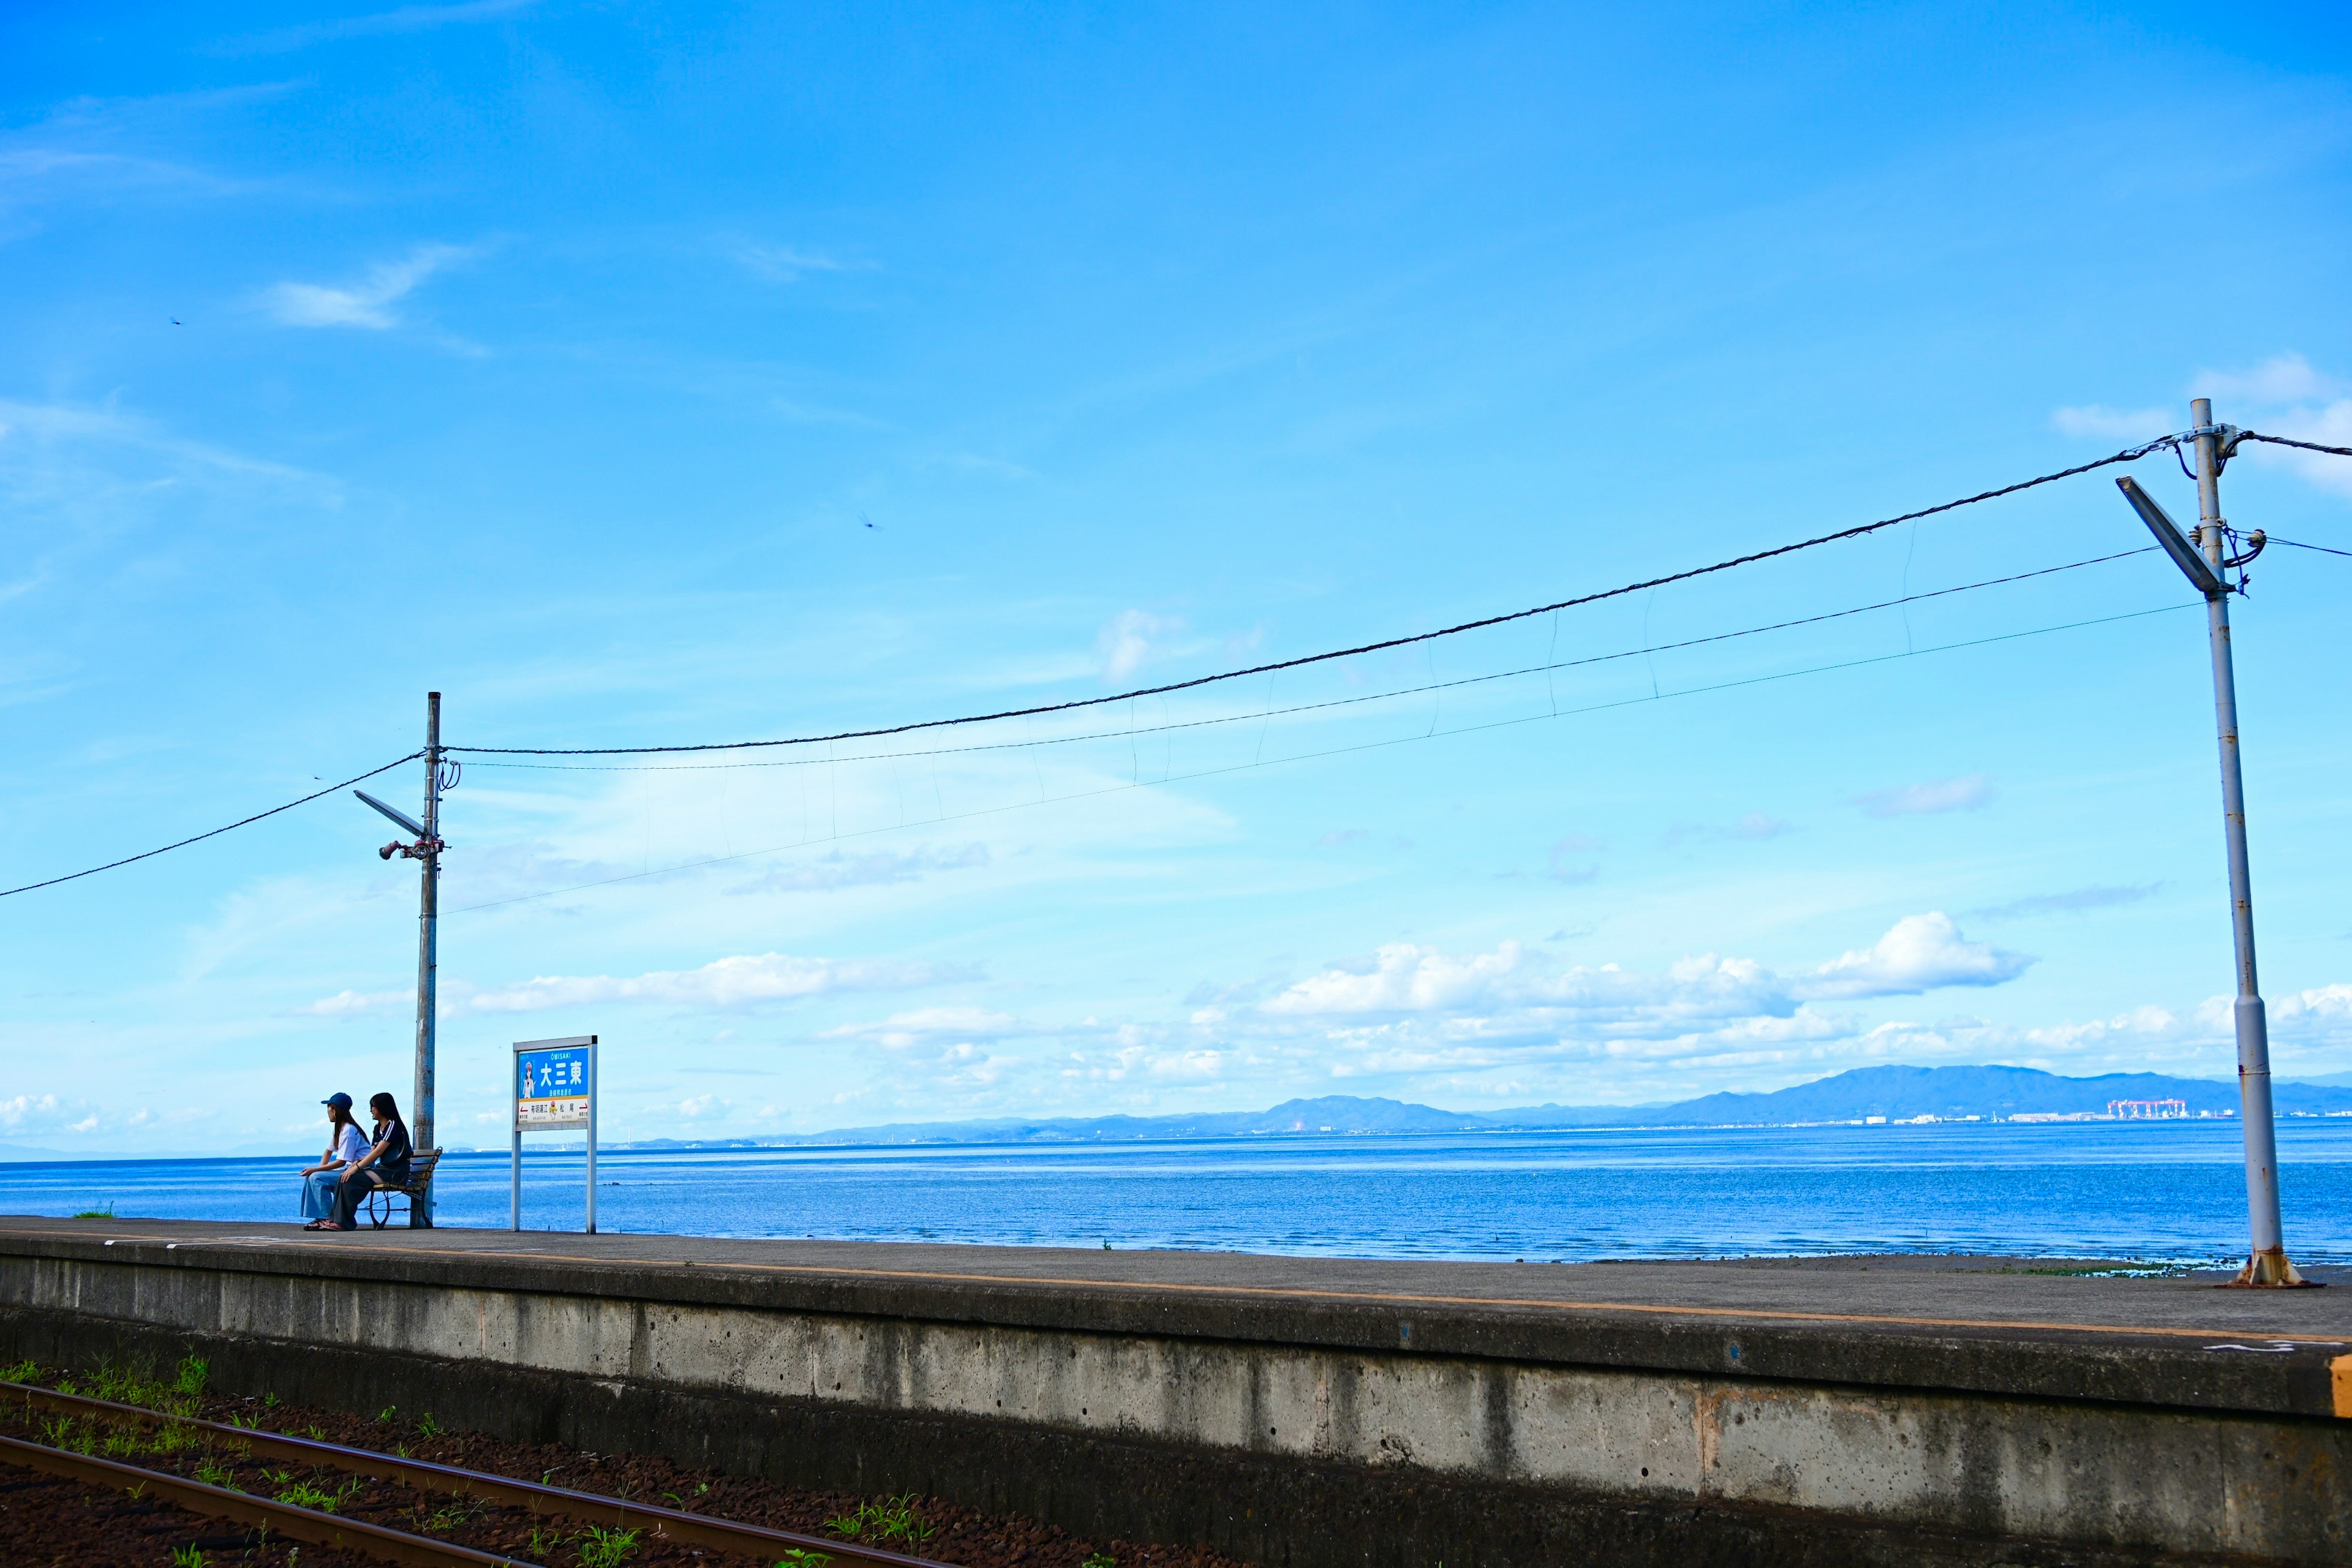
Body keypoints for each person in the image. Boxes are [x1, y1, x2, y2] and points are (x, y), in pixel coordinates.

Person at [325, 1091, 413, 1232]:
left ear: (382, 1108)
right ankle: (334, 1220)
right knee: (344, 1177)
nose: (371, 1110)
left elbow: (379, 1151)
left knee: (351, 1178)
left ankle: (344, 1223)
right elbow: (372, 1152)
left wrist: (356, 1167)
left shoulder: (393, 1126)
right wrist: (357, 1162)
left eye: (373, 1107)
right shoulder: (378, 1128)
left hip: (395, 1173)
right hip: (383, 1169)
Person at [300, 1093, 368, 1229]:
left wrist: (315, 1171)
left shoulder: (349, 1130)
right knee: (313, 1178)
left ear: (335, 1110)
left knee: (316, 1177)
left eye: (329, 1108)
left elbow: (342, 1162)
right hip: (348, 1169)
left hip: (359, 1170)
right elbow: (328, 1152)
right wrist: (319, 1170)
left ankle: (325, 1218)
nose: (328, 1112)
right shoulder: (339, 1128)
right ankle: (320, 1217)